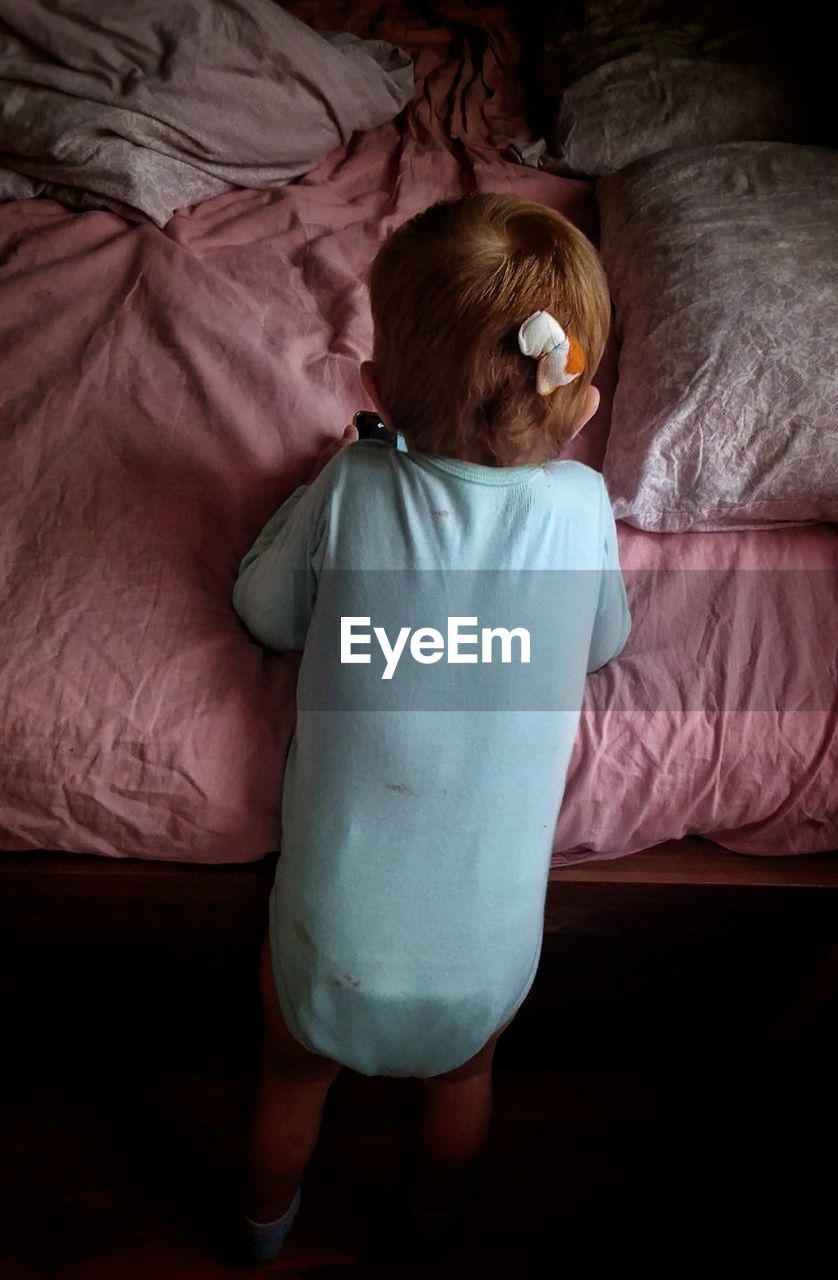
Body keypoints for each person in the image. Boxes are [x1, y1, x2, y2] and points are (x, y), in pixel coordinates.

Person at [231, 193, 631, 1263]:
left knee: (288, 1073)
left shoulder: (356, 482)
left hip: (330, 940)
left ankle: (259, 1232)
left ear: (374, 391)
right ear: (578, 401)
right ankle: (434, 1220)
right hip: (486, 957)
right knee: (467, 1079)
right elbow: (602, 642)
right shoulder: (586, 510)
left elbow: (264, 611)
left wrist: (335, 475)